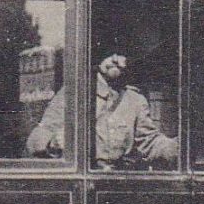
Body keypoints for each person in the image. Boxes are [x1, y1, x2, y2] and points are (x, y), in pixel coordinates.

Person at [25, 52, 178, 168]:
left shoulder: (135, 100)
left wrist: (179, 146)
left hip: (116, 187)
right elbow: (35, 141)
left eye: (121, 53)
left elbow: (150, 143)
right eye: (108, 53)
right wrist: (53, 143)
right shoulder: (72, 94)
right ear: (97, 57)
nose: (115, 59)